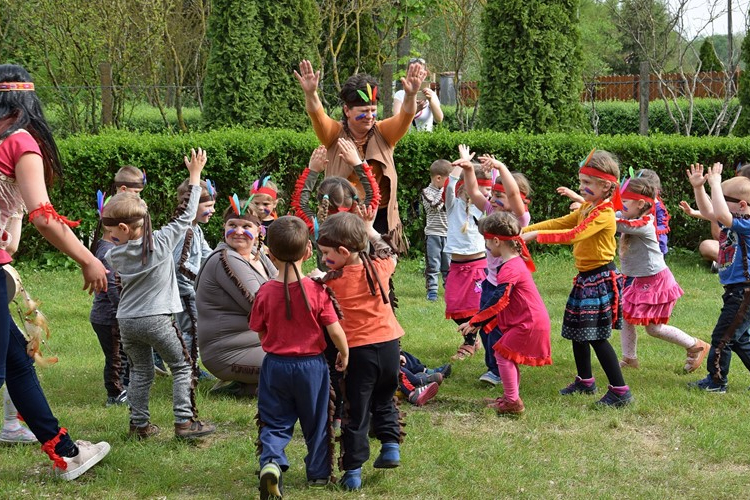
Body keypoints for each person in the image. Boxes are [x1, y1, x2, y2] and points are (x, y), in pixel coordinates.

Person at [0, 63, 110, 479]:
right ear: (27, 101)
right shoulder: (20, 141)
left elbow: (12, 217)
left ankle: (66, 453)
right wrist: (88, 259)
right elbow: (44, 216)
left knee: (15, 364)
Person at [103, 148, 215, 439]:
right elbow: (186, 214)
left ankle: (139, 426)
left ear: (122, 229)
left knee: (141, 372)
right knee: (182, 366)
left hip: (127, 321)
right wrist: (195, 175)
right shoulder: (161, 243)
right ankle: (184, 423)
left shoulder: (114, 255)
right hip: (158, 319)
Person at [523, 149, 633, 407]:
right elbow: (561, 222)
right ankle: (585, 381)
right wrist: (523, 229)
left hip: (601, 279)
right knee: (578, 332)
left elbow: (574, 234)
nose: (581, 187)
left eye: (587, 183)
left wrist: (534, 237)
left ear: (606, 185)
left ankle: (620, 391)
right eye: (581, 181)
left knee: (595, 336)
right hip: (586, 279)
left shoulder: (603, 214)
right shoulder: (588, 207)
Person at [250, 216, 349, 497]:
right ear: (309, 250)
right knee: (317, 421)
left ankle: (271, 462)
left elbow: (260, 331)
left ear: (269, 253)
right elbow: (335, 330)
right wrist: (344, 352)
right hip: (312, 366)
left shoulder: (265, 292)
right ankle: (318, 475)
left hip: (275, 365)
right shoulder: (318, 290)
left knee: (274, 420)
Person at [295, 59, 428, 253]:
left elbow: (405, 117)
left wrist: (410, 94)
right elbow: (317, 115)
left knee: (380, 267)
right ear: (347, 110)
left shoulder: (384, 132)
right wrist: (310, 93)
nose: (370, 116)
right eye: (363, 111)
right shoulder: (333, 134)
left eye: (373, 111)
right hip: (342, 216)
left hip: (379, 216)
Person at [315, 210, 404, 491]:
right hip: (390, 346)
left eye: (327, 254)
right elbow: (389, 251)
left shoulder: (331, 282)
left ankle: (352, 470)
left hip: (358, 353)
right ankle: (390, 446)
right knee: (386, 397)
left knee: (356, 411)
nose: (324, 259)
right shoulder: (379, 268)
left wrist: (321, 276)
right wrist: (370, 228)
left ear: (343, 251)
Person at [460, 212, 551, 415]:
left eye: (487, 243)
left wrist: (475, 321)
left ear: (496, 241)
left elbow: (499, 299)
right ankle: (511, 398)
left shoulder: (510, 268)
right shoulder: (512, 263)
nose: (486, 248)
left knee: (501, 353)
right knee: (506, 355)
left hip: (529, 322)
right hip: (527, 320)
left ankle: (512, 401)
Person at [616, 176, 710, 372]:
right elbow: (613, 215)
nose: (619, 205)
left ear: (640, 203)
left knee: (654, 329)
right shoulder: (630, 215)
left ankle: (696, 345)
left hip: (655, 282)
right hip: (637, 280)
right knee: (625, 316)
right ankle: (629, 358)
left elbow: (614, 223)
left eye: (623, 201)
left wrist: (595, 211)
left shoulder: (644, 224)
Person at [463, 153, 533, 385]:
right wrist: (468, 169)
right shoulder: (492, 215)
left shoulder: (519, 219)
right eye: (493, 194)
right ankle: (495, 367)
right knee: (487, 326)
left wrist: (501, 167)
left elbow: (513, 194)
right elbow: (473, 192)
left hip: (508, 285)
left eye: (499, 195)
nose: (493, 199)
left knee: (503, 326)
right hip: (490, 282)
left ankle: (502, 366)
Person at [195, 203, 276, 396]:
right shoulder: (225, 259)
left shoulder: (258, 256)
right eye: (232, 225)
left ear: (259, 231)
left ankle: (244, 386)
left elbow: (281, 288)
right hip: (229, 352)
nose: (238, 231)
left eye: (246, 227)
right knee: (297, 366)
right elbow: (262, 308)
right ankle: (243, 382)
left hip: (258, 344)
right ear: (224, 228)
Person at [686, 163, 750, 392]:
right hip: (738, 290)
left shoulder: (746, 223)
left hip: (744, 291)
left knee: (722, 337)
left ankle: (716, 382)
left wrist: (714, 183)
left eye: (723, 197)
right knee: (740, 339)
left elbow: (720, 212)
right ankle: (717, 380)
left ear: (742, 205)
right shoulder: (736, 217)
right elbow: (709, 212)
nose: (718, 200)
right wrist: (699, 188)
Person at [443, 145, 492, 361]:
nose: (487, 194)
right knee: (454, 304)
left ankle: (470, 342)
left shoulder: (484, 208)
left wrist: (493, 168)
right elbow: (449, 184)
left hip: (479, 264)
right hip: (456, 265)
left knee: (477, 305)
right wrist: (462, 164)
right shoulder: (453, 205)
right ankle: (473, 334)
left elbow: (499, 189)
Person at [172, 178, 215, 381]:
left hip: (192, 290)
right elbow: (180, 264)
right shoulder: (185, 231)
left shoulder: (196, 228)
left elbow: (209, 255)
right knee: (190, 330)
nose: (212, 210)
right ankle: (189, 371)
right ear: (192, 206)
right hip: (185, 292)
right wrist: (201, 280)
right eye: (208, 206)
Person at [90, 208, 129, 407]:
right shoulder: (108, 252)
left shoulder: (107, 247)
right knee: (116, 358)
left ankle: (124, 388)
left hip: (112, 315)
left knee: (121, 354)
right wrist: (127, 310)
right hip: (109, 317)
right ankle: (114, 394)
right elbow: (113, 288)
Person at [421, 159, 452, 302]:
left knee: (448, 265)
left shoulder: (447, 192)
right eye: (449, 180)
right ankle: (432, 291)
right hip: (433, 234)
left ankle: (450, 289)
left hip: (448, 235)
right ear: (439, 178)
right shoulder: (426, 192)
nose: (451, 184)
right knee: (433, 265)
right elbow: (435, 205)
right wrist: (446, 190)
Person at [392, 57, 444, 132]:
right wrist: (414, 110)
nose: (417, 76)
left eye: (420, 73)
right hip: (405, 140)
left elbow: (439, 119)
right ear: (407, 73)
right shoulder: (400, 94)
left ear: (425, 74)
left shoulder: (431, 94)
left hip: (425, 140)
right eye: (413, 73)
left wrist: (431, 100)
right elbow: (396, 121)